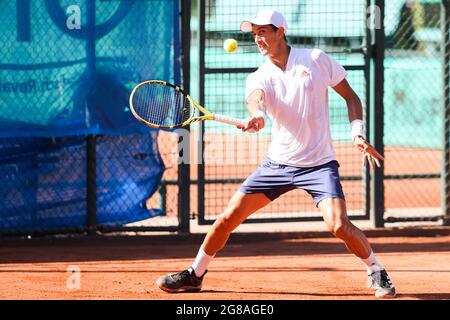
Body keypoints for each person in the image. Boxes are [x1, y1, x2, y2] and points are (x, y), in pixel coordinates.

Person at [156, 9, 396, 298]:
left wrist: (357, 133)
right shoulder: (260, 75)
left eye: (263, 32)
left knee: (339, 226)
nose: (257, 38)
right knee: (227, 218)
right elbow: (255, 98)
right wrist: (257, 115)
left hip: (319, 165)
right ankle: (196, 274)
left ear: (280, 31)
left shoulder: (316, 60)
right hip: (278, 165)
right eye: (254, 33)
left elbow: (351, 96)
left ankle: (376, 271)